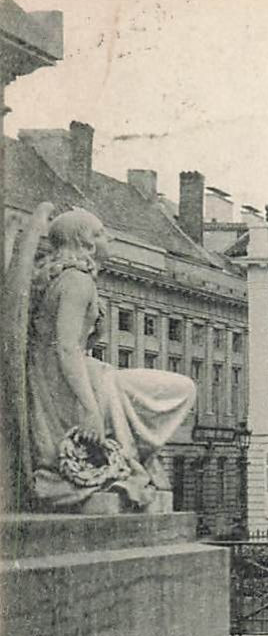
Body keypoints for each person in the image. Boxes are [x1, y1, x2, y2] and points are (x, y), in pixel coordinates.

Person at [22, 208, 195, 510]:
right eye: (101, 233)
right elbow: (65, 347)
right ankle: (127, 461)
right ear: (87, 244)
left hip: (71, 375)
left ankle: (131, 457)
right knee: (181, 389)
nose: (110, 237)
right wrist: (89, 408)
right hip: (74, 383)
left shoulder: (65, 279)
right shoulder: (77, 281)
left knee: (171, 390)